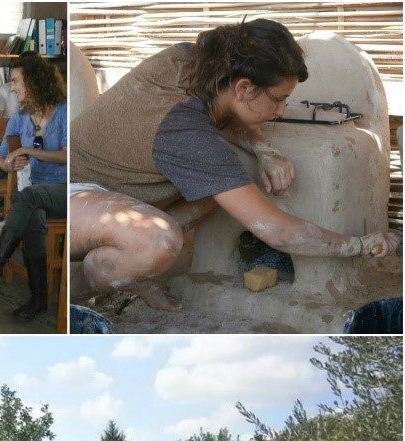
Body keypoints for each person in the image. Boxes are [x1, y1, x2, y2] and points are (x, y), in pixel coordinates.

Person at [70, 19, 400, 312]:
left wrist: (264, 148)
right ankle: (86, 289)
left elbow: (222, 115)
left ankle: (132, 263)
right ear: (243, 87)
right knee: (157, 242)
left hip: (120, 184)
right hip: (76, 189)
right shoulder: (186, 132)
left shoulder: (195, 60)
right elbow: (278, 232)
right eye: (278, 98)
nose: (282, 109)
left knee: (220, 192)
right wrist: (357, 244)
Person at [0, 55, 69, 323]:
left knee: (29, 198)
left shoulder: (65, 111)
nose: (12, 88)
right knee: (32, 214)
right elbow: (0, 158)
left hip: (66, 190)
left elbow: (69, 155)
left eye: (16, 81)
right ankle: (38, 299)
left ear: (36, 82)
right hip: (31, 191)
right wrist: (10, 163)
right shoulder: (19, 118)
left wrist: (26, 150)